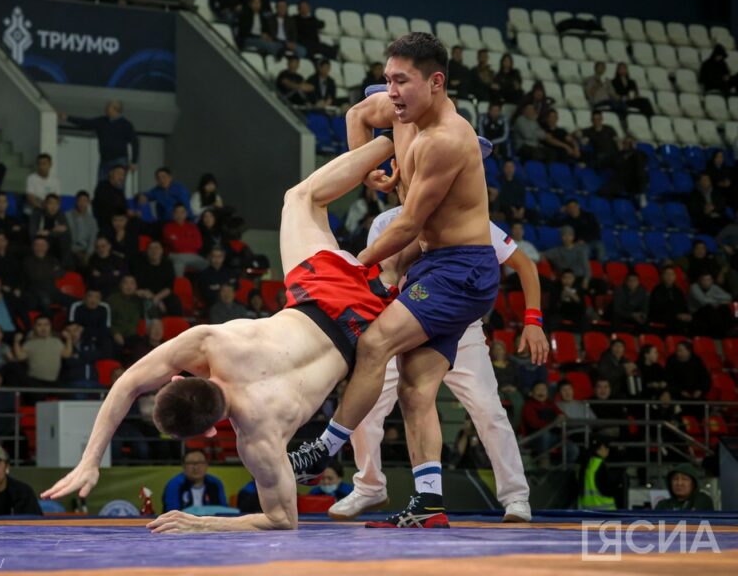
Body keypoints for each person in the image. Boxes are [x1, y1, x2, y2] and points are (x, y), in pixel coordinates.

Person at [41, 122, 411, 532]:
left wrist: (202, 525)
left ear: (207, 431)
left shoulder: (258, 438)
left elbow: (282, 520)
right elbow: (127, 383)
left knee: (405, 247)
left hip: (357, 329)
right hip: (316, 295)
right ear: (180, 379)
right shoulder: (209, 343)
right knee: (301, 197)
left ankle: (424, 171)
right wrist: (89, 459)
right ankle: (392, 139)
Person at [327, 92, 547, 523]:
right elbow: (385, 279)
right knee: (367, 404)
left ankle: (515, 497)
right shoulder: (386, 223)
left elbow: (524, 264)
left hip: (460, 327)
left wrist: (533, 320)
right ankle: (369, 487)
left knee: (488, 409)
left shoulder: (474, 221)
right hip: (407, 325)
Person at [63, 100, 139, 182]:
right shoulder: (102, 121)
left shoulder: (126, 124)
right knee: (102, 185)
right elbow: (86, 123)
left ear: (115, 109)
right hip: (104, 160)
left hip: (119, 160)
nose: (105, 109)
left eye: (108, 107)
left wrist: (134, 161)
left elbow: (135, 143)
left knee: (117, 184)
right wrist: (68, 118)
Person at [162, 450, 228, 512]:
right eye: (191, 463)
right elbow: (172, 512)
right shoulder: (174, 485)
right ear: (183, 466)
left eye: (200, 462)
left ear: (206, 465)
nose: (196, 468)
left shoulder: (215, 483)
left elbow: (224, 510)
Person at [12, 315, 71, 385]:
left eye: (46, 324)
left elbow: (66, 355)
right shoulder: (29, 343)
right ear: (34, 327)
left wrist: (68, 339)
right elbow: (20, 357)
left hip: (53, 381)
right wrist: (16, 342)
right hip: (34, 381)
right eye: (39, 325)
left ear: (51, 327)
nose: (43, 328)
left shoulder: (57, 341)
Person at [163, 203, 207, 277]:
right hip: (175, 256)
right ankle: (179, 283)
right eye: (177, 212)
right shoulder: (168, 227)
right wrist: (189, 242)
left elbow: (198, 244)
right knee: (179, 261)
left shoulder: (192, 227)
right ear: (173, 214)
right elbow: (176, 247)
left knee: (209, 266)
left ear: (186, 214)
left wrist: (179, 241)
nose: (179, 215)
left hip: (192, 257)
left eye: (182, 212)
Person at [576, 438, 618, 510]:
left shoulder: (585, 464)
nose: (608, 450)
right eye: (606, 447)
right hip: (604, 511)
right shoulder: (599, 465)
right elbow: (607, 489)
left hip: (586, 511)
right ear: (600, 448)